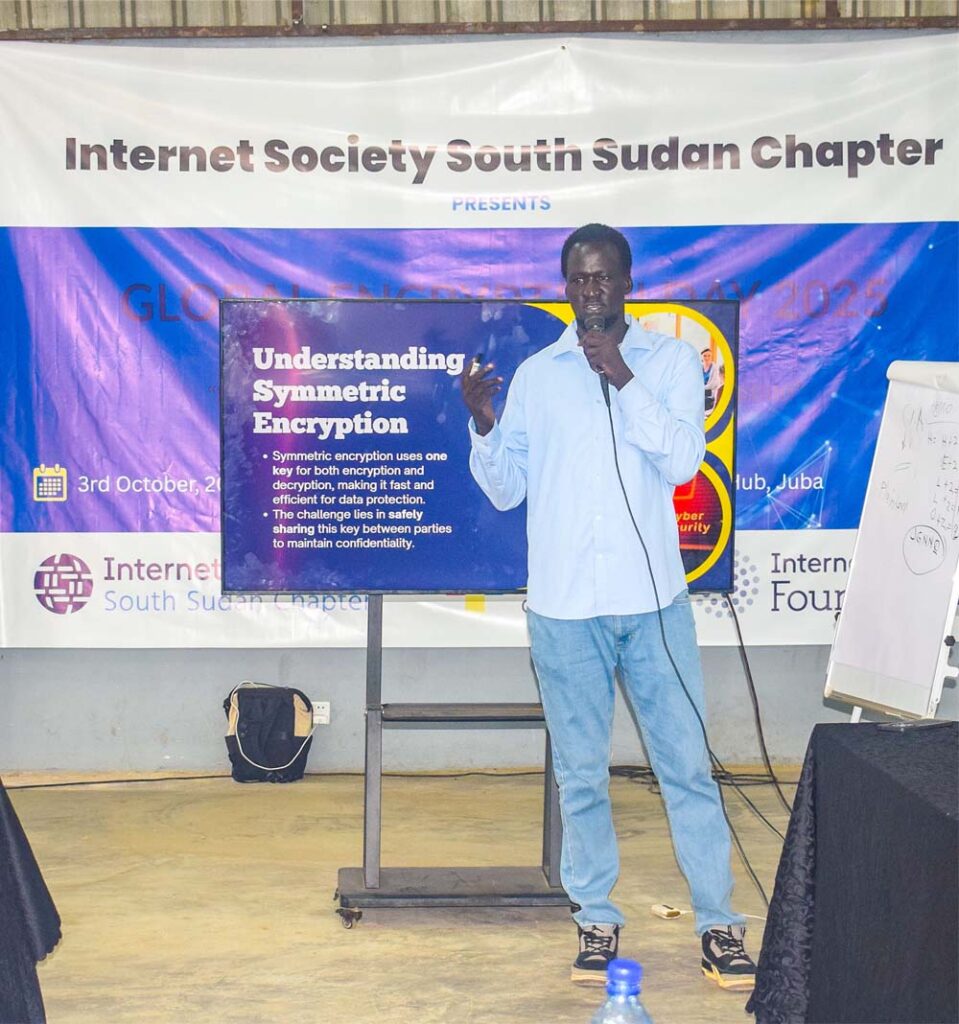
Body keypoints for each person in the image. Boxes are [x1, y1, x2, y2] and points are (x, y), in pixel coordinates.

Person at [460, 224, 756, 991]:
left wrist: (621, 376)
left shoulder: (668, 362)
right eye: (576, 279)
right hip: (562, 608)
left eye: (601, 278)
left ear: (627, 282)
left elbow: (685, 460)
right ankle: (594, 916)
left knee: (685, 768)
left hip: (652, 602)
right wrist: (486, 426)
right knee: (581, 778)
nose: (588, 291)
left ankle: (718, 924)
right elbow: (505, 488)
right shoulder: (537, 373)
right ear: (564, 285)